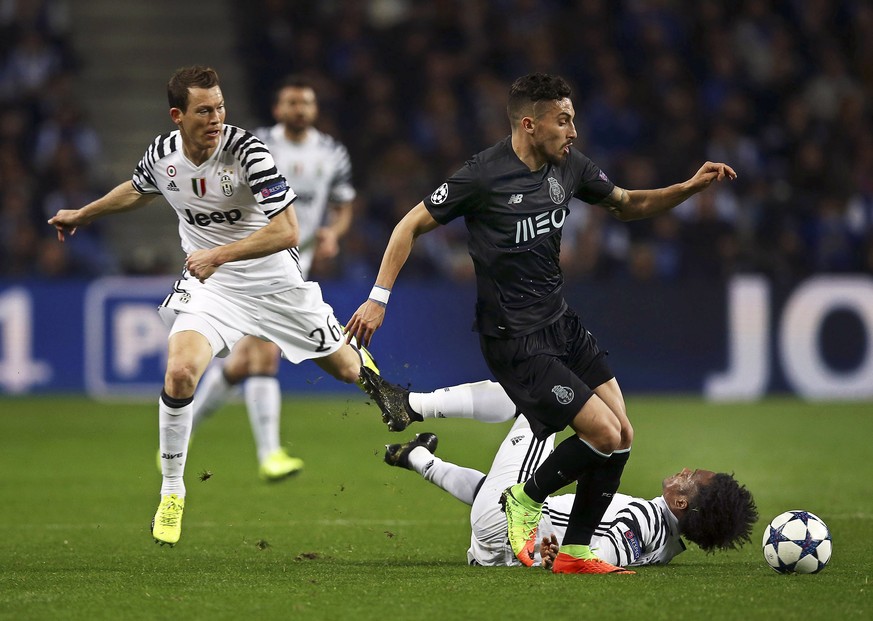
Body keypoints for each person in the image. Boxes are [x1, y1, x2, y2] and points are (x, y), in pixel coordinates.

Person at [346, 73, 737, 574]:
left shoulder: (569, 167)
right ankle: (524, 501)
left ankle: (574, 552)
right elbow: (408, 226)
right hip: (516, 339)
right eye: (563, 120)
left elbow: (626, 204)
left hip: (560, 322)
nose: (573, 131)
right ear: (530, 124)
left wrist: (687, 188)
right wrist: (379, 298)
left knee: (623, 435)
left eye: (573, 119)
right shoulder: (481, 176)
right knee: (599, 432)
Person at [48, 66, 387, 547]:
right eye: (204, 109)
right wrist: (83, 213)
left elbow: (288, 232)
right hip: (214, 288)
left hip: (274, 282)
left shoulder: (247, 151)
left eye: (220, 106)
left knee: (347, 370)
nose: (216, 117)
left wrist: (217, 253)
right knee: (181, 371)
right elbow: (138, 189)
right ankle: (171, 492)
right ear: (177, 116)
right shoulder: (162, 156)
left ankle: (393, 393)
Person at [191, 75, 357, 482]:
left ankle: (180, 431)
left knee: (243, 362)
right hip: (253, 262)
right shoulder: (253, 144)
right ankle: (270, 455)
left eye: (306, 103)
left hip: (297, 265)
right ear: (278, 109)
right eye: (291, 102)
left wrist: (333, 233)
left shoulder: (332, 153)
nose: (299, 109)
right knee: (263, 354)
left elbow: (344, 204)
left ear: (314, 110)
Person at [383, 415, 758, 569]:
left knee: (538, 402)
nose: (684, 470)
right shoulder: (665, 544)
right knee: (509, 486)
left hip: (508, 536)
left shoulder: (642, 521)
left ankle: (413, 404)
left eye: (690, 477)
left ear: (680, 501)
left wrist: (547, 556)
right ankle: (417, 456)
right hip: (498, 549)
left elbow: (602, 554)